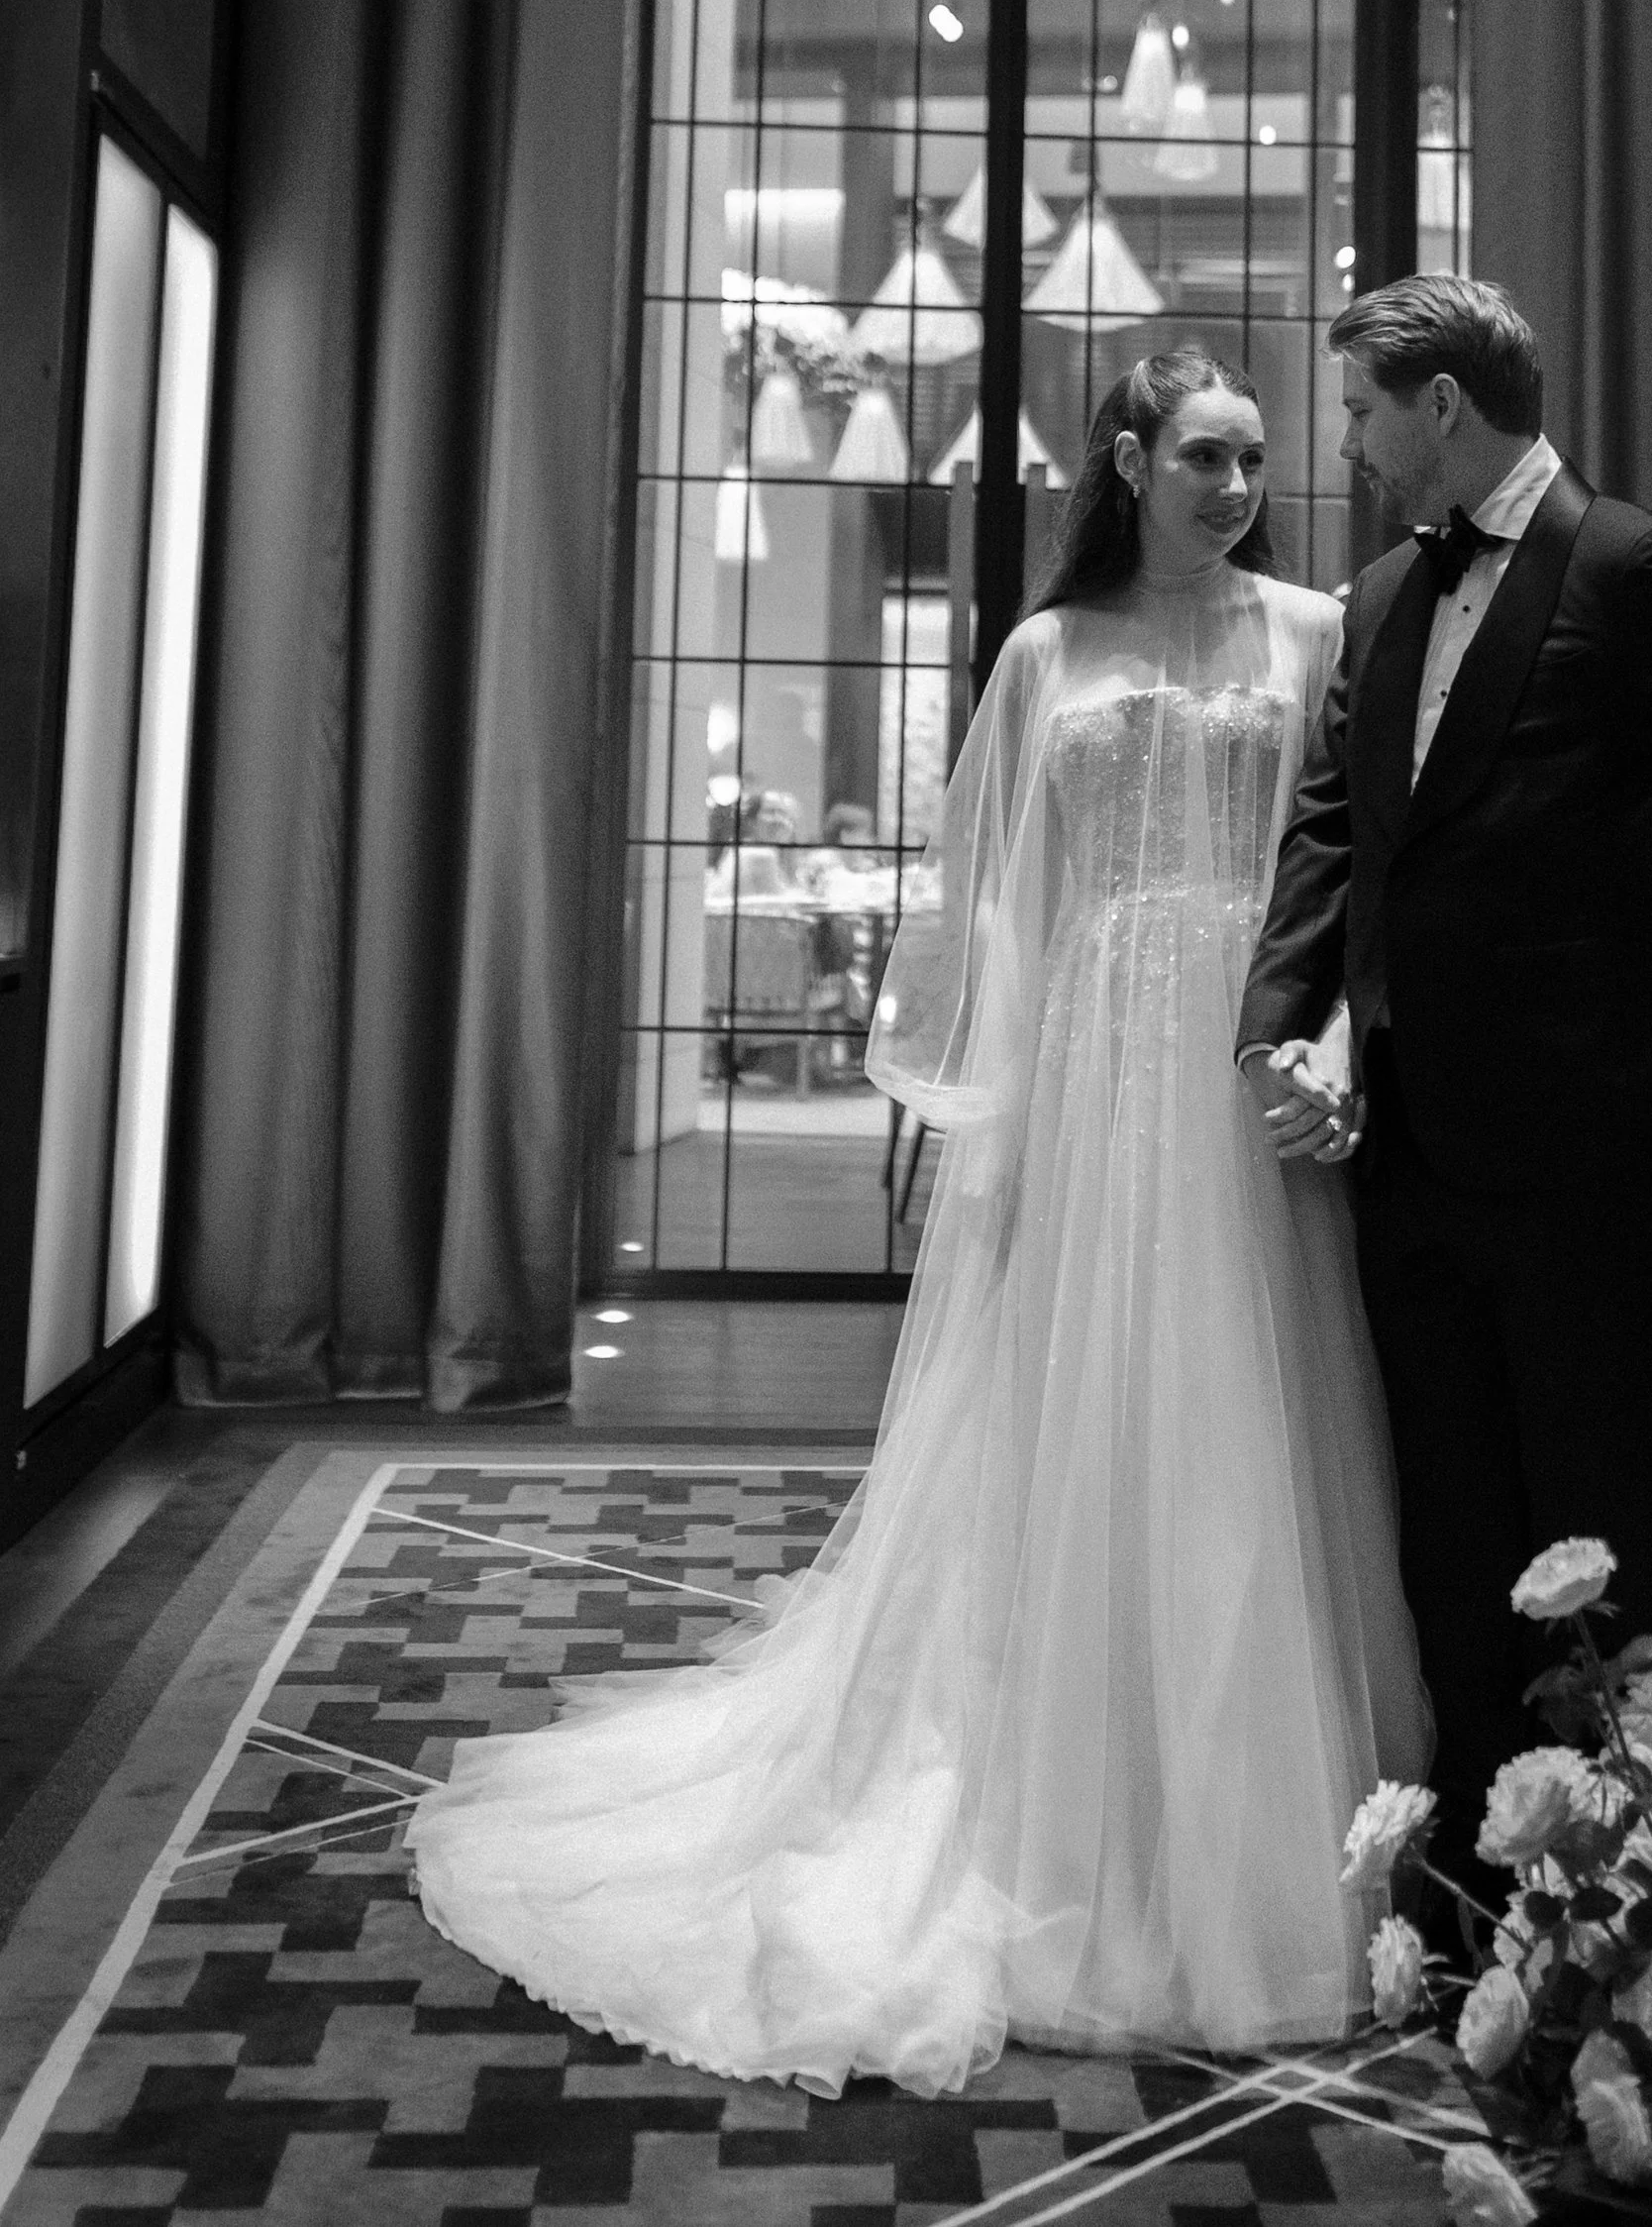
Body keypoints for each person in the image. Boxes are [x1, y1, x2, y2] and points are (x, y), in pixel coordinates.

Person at [408, 347, 1425, 2092]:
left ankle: (1254, 1811)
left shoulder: (1319, 631)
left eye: (1256, 455)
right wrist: (998, 1139)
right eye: (1202, 453)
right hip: (1107, 1083)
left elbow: (1358, 884)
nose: (1237, 483)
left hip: (1251, 1075)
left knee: (1261, 1419)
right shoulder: (1048, 654)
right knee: (1089, 1422)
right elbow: (1000, 911)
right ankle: (1062, 1797)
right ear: (1128, 458)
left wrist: (1328, 1044)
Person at [1237, 274, 1652, 1920]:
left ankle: (1614, 1890)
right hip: (1407, 1145)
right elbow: (1333, 833)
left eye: (1365, 410)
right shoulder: (1377, 593)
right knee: (1445, 1529)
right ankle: (1464, 1889)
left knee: (1588, 1528)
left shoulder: (1633, 566)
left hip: (1583, 1144)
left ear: (1443, 403)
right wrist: (1276, 1026)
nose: (1353, 445)